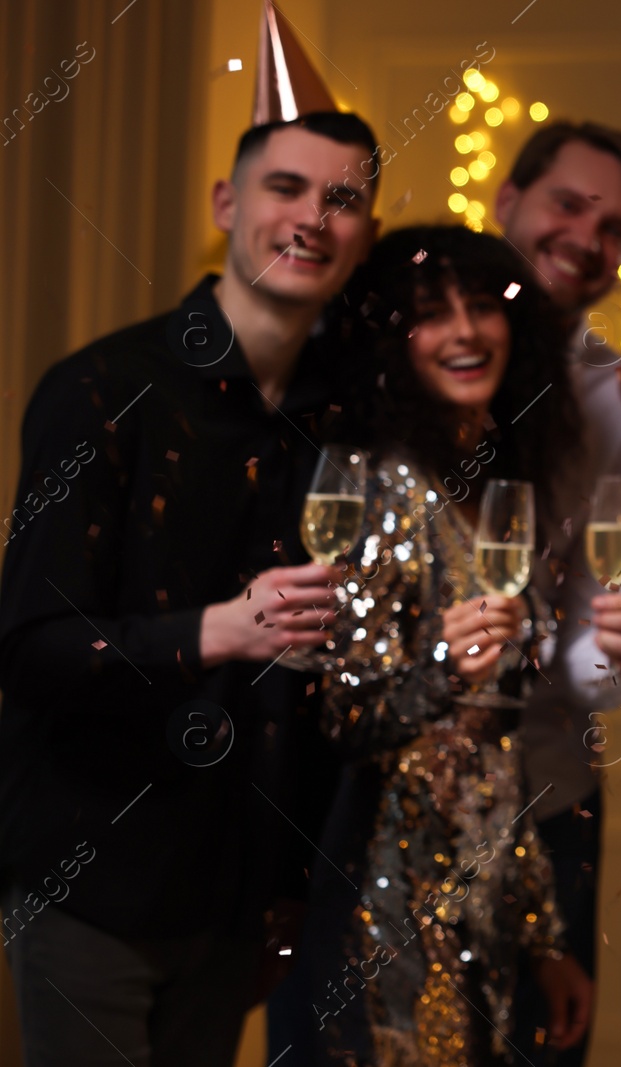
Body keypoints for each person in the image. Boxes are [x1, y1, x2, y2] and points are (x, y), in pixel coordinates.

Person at [0, 16, 379, 1062]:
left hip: (236, 899)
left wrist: (290, 883)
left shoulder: (339, 420)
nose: (312, 218)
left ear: (366, 234)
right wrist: (217, 629)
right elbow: (30, 648)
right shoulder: (102, 391)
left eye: (342, 199)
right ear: (228, 206)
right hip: (94, 881)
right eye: (286, 188)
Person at [281, 225, 590, 1065]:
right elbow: (342, 710)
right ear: (389, 340)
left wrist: (543, 934)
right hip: (383, 909)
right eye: (431, 315)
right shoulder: (379, 483)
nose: (466, 331)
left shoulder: (486, 491)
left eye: (483, 307)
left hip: (478, 912)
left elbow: (498, 741)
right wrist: (441, 669)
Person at [493, 121, 621, 1060]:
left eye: (616, 229)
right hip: (380, 799)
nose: (587, 237)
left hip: (547, 802)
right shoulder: (398, 347)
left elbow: (586, 640)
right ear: (506, 203)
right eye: (568, 204)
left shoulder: (614, 397)